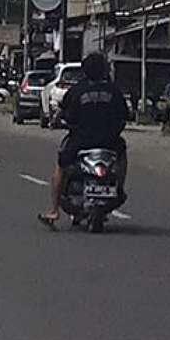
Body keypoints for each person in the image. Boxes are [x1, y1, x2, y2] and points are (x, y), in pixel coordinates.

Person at [39, 51, 130, 228]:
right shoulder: (114, 91)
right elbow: (124, 116)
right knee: (122, 154)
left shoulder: (77, 91)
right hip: (109, 142)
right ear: (104, 70)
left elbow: (65, 114)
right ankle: (119, 186)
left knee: (61, 165)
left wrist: (57, 121)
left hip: (81, 141)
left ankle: (54, 210)